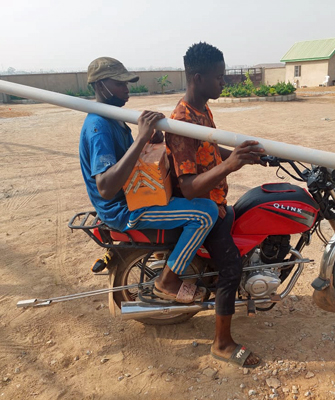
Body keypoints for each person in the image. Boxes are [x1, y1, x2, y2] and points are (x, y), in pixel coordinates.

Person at [79, 57, 218, 302]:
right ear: (101, 85)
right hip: (124, 208)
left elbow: (126, 160)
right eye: (120, 83)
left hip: (135, 194)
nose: (127, 88)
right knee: (206, 212)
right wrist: (142, 138)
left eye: (128, 83)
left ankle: (169, 258)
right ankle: (168, 281)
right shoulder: (98, 126)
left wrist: (150, 139)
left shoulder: (113, 116)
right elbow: (106, 187)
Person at [165, 43, 264, 367]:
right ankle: (221, 343)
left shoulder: (202, 110)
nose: (224, 82)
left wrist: (244, 155)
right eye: (219, 77)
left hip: (218, 200)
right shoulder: (181, 121)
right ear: (198, 78)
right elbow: (189, 187)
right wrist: (231, 164)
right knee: (231, 267)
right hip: (204, 206)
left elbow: (209, 148)